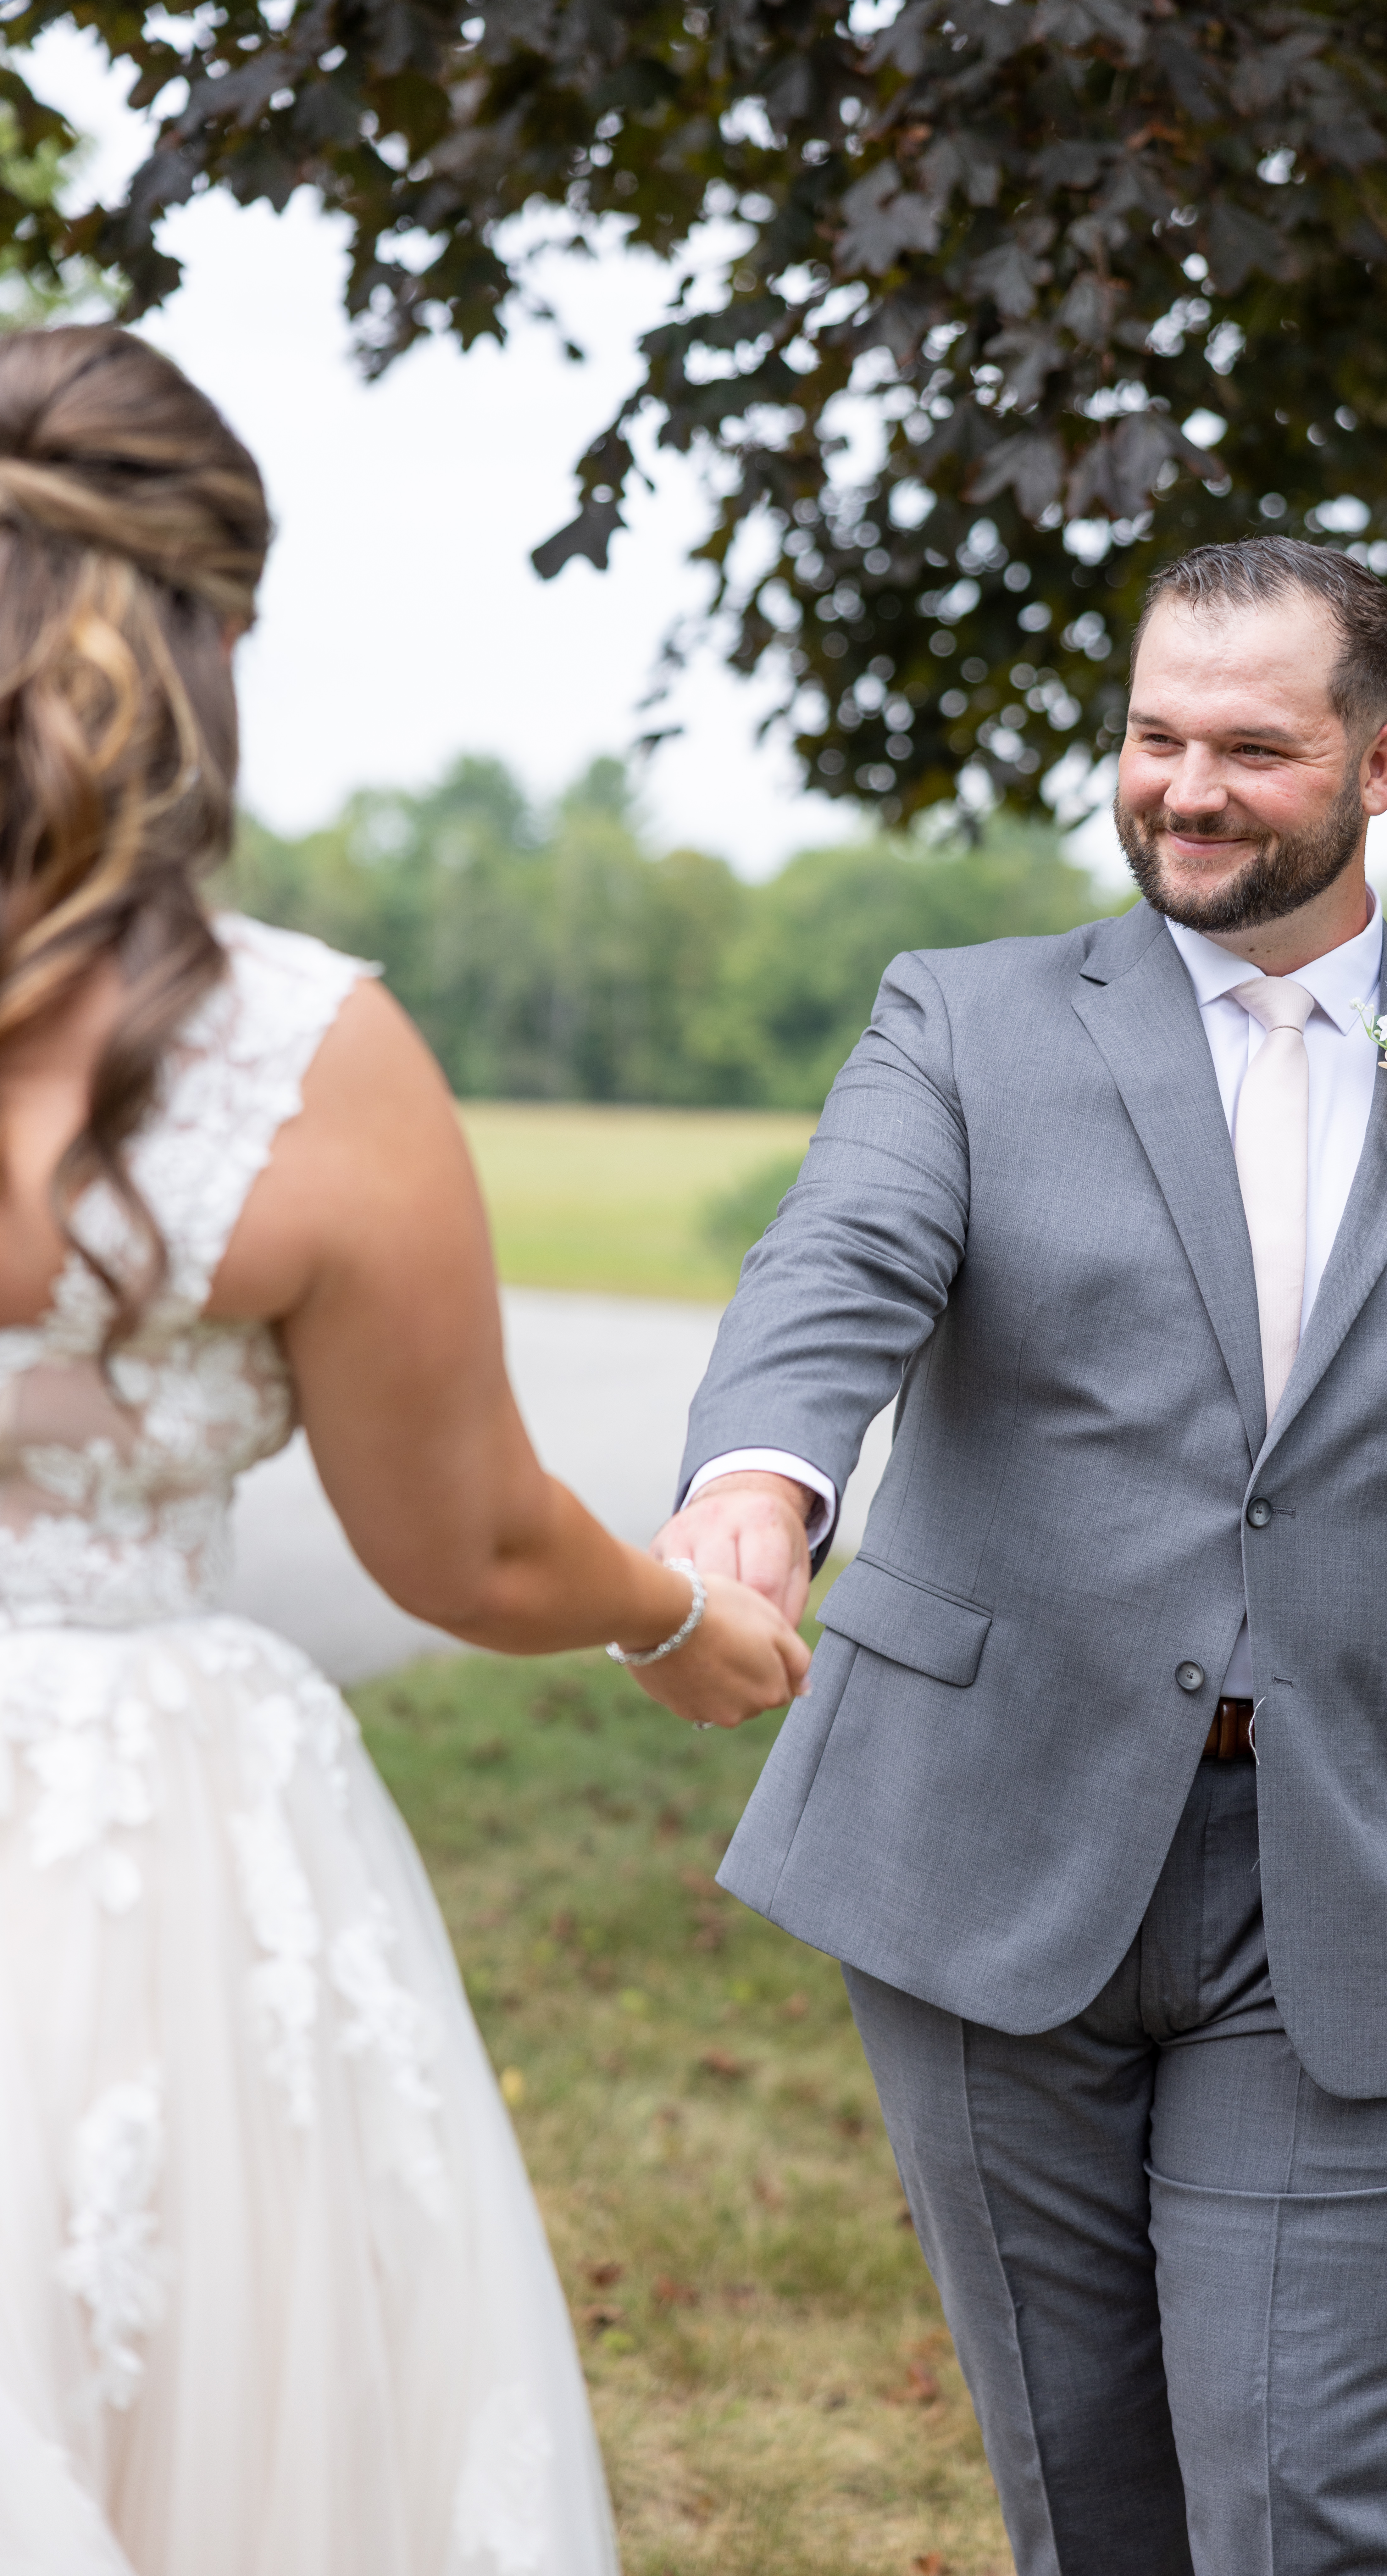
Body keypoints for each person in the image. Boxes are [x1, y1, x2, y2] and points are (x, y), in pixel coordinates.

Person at [655, 535, 1387, 2574]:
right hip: (986, 1835)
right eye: (1151, 738)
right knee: (1088, 2499)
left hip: (1353, 1883)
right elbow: (834, 1269)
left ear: (1380, 765)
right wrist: (758, 1485)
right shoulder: (961, 1024)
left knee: (1305, 2507)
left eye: (1250, 749)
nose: (1184, 791)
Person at [0, 323, 809, 2576]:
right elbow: (467, 1546)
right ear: (211, 644)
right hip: (141, 1857)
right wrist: (679, 1616)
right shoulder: (293, 1051)